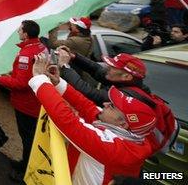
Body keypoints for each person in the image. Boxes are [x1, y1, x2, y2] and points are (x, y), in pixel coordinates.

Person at [29, 54, 158, 185]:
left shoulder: (114, 149)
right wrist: (58, 83)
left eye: (112, 106)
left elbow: (69, 122)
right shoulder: (127, 134)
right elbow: (87, 106)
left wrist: (39, 80)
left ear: (123, 124)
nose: (106, 104)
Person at [0, 20, 46, 182]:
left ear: (25, 34)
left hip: (26, 104)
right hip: (37, 101)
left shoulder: (26, 54)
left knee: (28, 138)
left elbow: (21, 84)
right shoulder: (42, 46)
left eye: (20, 29)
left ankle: (26, 172)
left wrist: (0, 79)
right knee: (30, 137)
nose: (17, 31)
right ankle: (26, 163)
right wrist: (14, 72)